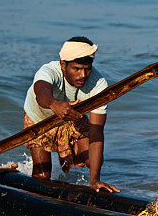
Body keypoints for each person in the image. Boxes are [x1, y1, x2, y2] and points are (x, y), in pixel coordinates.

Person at [22, 36, 119, 193]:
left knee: (91, 160)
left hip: (73, 119)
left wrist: (95, 181)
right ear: (63, 64)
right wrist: (55, 104)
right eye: (77, 69)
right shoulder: (49, 71)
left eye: (87, 68)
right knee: (42, 175)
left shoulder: (98, 84)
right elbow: (41, 92)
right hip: (40, 120)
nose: (83, 75)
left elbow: (96, 133)